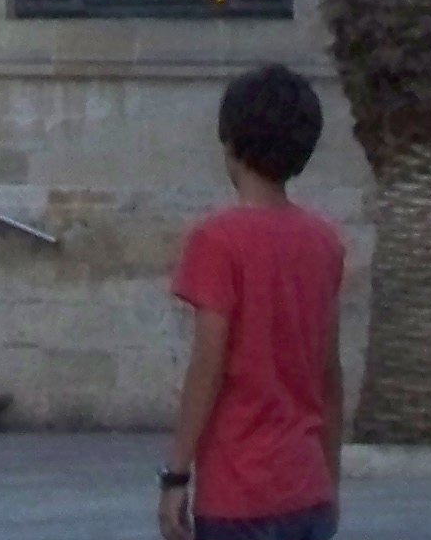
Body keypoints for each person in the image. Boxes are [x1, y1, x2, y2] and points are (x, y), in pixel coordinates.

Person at [158, 64, 345, 540]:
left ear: (232, 145)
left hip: (238, 493)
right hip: (307, 487)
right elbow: (329, 373)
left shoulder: (217, 240)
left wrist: (176, 472)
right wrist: (331, 478)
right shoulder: (324, 243)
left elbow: (209, 364)